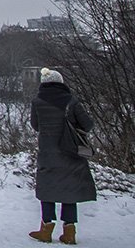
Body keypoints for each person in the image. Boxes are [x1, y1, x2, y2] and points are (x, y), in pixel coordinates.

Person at [28, 68, 96, 245]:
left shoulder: (37, 101)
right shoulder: (71, 101)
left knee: (47, 189)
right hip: (70, 152)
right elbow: (88, 125)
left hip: (47, 153)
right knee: (69, 190)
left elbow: (35, 125)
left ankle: (46, 229)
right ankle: (69, 232)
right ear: (61, 82)